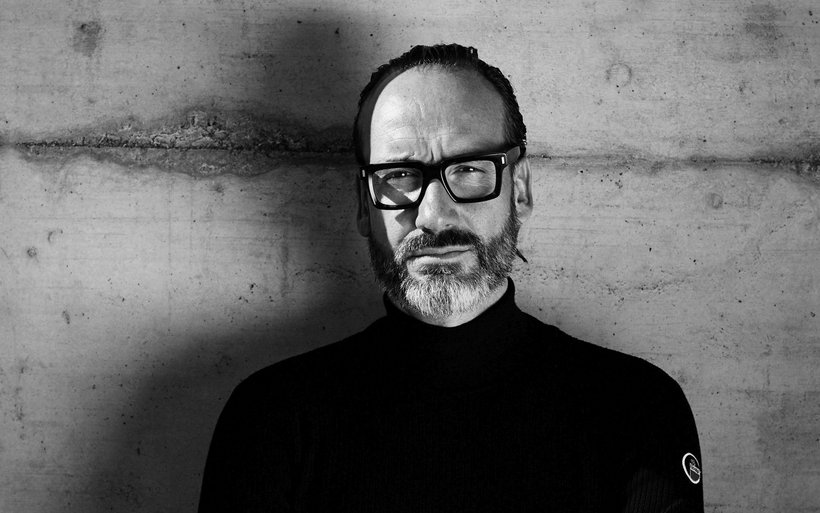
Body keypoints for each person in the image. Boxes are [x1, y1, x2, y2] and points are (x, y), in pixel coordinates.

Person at [198, 44, 704, 512]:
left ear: (520, 190)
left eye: (467, 169)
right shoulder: (271, 419)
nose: (433, 216)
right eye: (399, 175)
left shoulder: (635, 408)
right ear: (362, 205)